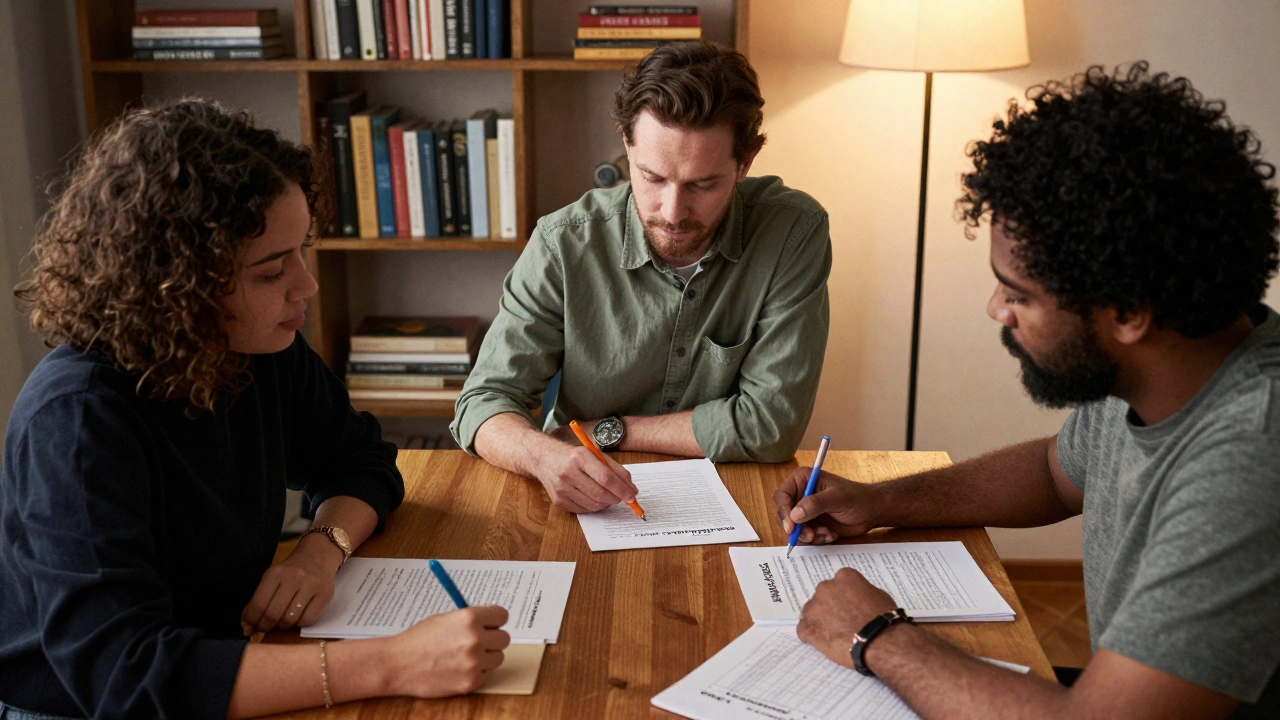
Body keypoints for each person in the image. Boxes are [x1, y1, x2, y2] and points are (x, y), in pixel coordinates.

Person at [774, 63, 1280, 719]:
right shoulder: (1155, 364)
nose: (996, 308)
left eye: (1019, 293)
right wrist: (878, 500)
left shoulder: (1250, 455)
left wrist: (874, 636)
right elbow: (1054, 473)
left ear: (1128, 312)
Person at [0, 99, 510, 720]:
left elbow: (362, 461)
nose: (306, 285)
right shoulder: (77, 420)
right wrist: (394, 661)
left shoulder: (254, 347)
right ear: (178, 282)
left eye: (302, 251)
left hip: (229, 657)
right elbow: (125, 676)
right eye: (272, 272)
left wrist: (321, 551)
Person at [451, 40, 832, 514]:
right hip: (583, 494)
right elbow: (483, 402)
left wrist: (612, 431)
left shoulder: (793, 234)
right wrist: (544, 456)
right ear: (627, 144)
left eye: (702, 184)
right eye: (652, 177)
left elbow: (771, 426)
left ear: (746, 162)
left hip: (735, 498)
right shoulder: (563, 243)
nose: (673, 212)